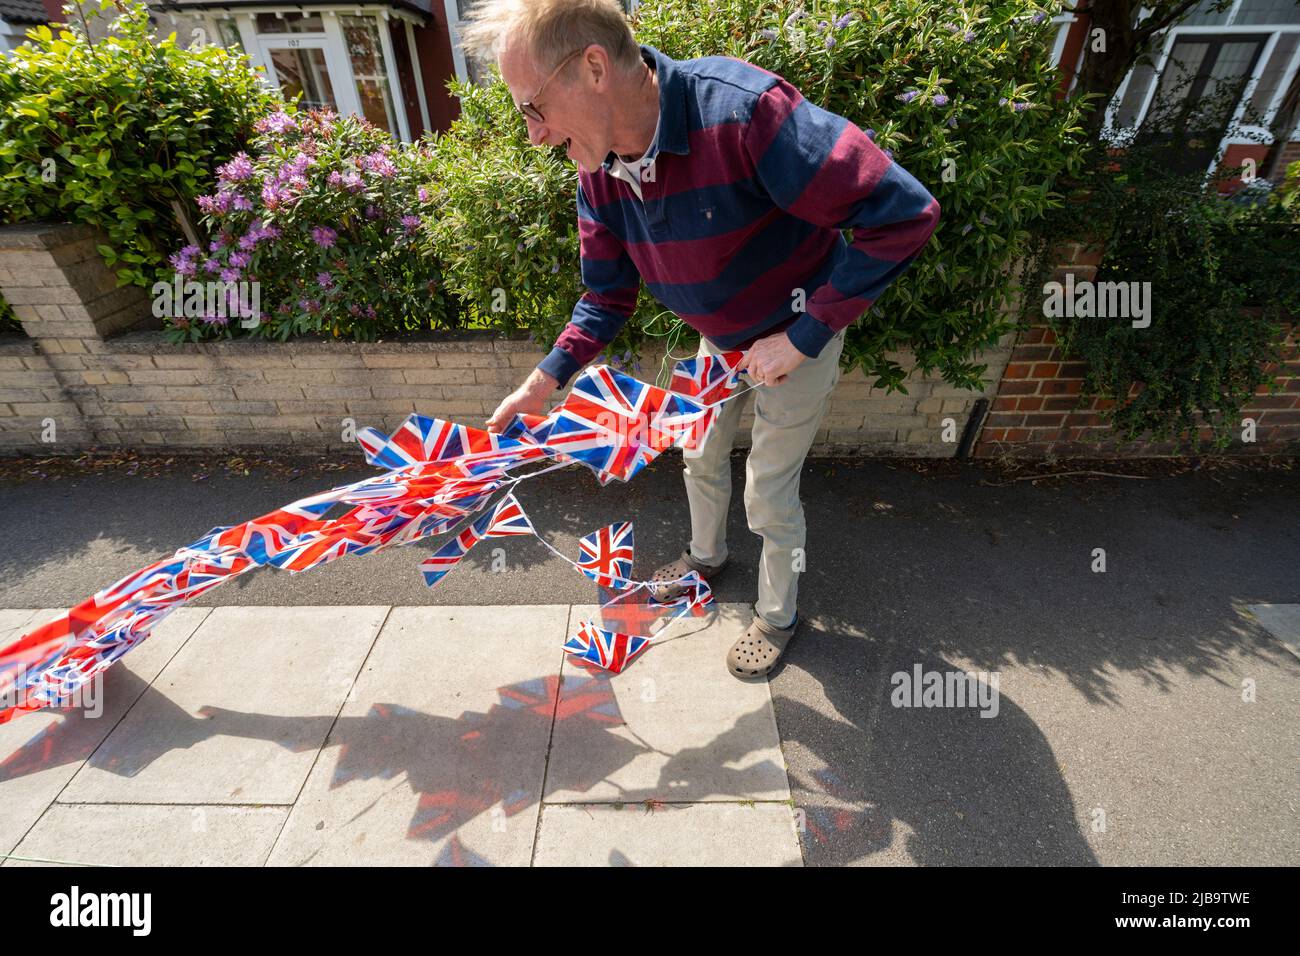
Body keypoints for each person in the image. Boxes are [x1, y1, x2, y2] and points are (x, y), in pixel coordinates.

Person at [462, 0, 940, 677]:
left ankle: (777, 617)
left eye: (532, 109)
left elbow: (906, 212)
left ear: (593, 67)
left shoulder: (744, 113)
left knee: (768, 494)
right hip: (720, 341)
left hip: (791, 342)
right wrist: (544, 380)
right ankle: (707, 560)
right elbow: (606, 295)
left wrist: (803, 337)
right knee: (700, 456)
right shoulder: (596, 168)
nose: (534, 135)